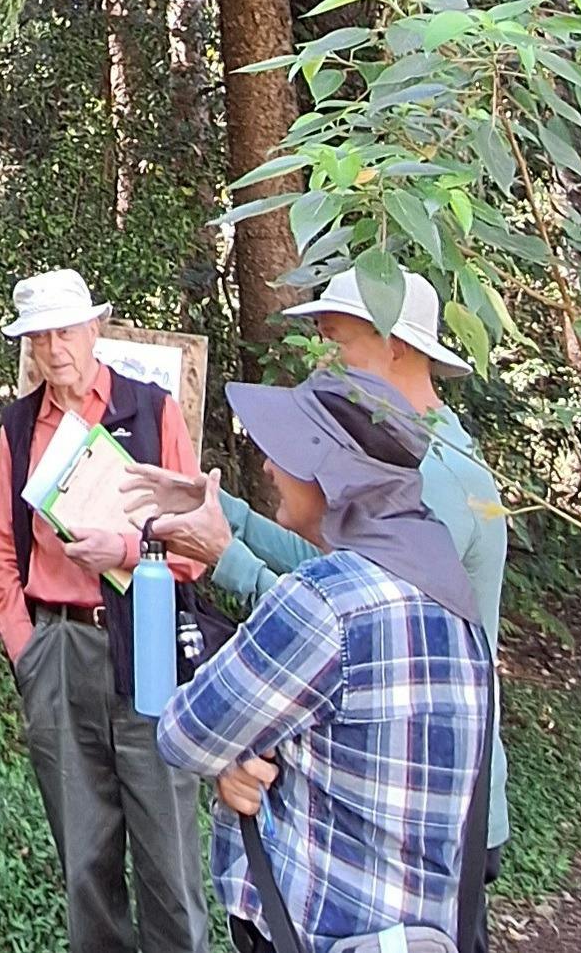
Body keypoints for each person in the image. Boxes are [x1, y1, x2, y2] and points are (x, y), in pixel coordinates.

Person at [122, 268, 511, 889]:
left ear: (398, 347)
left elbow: (353, 628)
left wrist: (230, 557)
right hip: (386, 778)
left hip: (423, 796)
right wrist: (223, 512)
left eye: (337, 343)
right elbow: (330, 571)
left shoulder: (433, 474)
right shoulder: (407, 453)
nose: (324, 364)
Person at [152, 370, 493, 953]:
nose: (267, 467)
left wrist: (248, 755)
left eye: (284, 453)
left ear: (330, 474)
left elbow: (185, 735)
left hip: (317, 930)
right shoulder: (453, 598)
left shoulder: (326, 603)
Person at [0, 268, 210, 953]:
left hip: (145, 644)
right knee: (85, 865)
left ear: (94, 329)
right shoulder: (20, 427)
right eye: (39, 336)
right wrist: (26, 650)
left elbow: (198, 543)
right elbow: (0, 552)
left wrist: (127, 548)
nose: (54, 349)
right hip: (59, 650)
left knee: (169, 863)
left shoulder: (150, 410)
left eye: (65, 331)